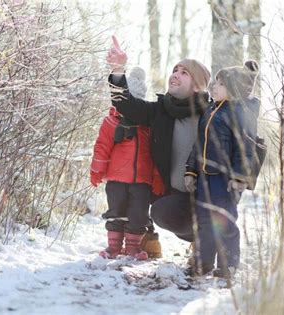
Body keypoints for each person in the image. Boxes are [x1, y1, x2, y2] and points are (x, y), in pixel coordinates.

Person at [105, 36, 210, 246]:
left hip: (204, 198)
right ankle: (148, 237)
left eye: (184, 73)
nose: (175, 75)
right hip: (170, 194)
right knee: (151, 203)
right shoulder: (161, 110)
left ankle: (206, 242)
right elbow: (127, 106)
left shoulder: (211, 115)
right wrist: (118, 71)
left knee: (200, 221)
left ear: (198, 86)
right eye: (175, 70)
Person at [184, 60, 260, 278]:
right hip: (205, 178)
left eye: (220, 84)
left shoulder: (238, 113)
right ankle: (204, 261)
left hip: (224, 180)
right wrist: (191, 171)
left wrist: (238, 176)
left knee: (224, 220)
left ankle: (228, 263)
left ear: (233, 88)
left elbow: (246, 147)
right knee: (204, 220)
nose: (213, 87)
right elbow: (198, 144)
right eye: (214, 83)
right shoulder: (210, 111)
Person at [91, 66, 165, 260]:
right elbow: (102, 147)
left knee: (139, 215)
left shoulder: (148, 127)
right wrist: (97, 171)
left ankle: (133, 248)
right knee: (116, 212)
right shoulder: (111, 122)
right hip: (116, 179)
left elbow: (156, 155)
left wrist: (157, 179)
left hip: (142, 181)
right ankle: (113, 248)